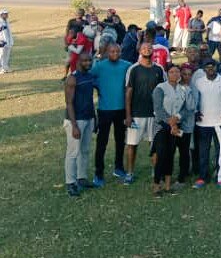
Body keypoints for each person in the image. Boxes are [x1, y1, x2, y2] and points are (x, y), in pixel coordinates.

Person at [124, 43, 166, 183]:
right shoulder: (133, 69)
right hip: (136, 114)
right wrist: (128, 115)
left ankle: (156, 172)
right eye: (144, 48)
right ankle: (130, 173)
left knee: (154, 144)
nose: (147, 50)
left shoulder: (159, 69)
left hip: (154, 114)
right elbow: (128, 92)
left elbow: (164, 90)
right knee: (132, 144)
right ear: (139, 51)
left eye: (149, 48)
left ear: (153, 51)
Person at [90, 43, 131, 186]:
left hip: (121, 109)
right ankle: (98, 174)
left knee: (120, 140)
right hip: (105, 109)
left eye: (117, 51)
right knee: (102, 142)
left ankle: (119, 168)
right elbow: (89, 77)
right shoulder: (100, 66)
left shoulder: (126, 65)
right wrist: (97, 86)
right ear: (107, 52)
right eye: (112, 51)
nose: (115, 54)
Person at [193, 59, 221, 189]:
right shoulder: (198, 82)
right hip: (203, 123)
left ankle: (220, 177)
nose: (210, 69)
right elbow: (193, 98)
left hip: (219, 122)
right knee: (203, 152)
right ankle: (202, 177)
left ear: (216, 67)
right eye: (207, 67)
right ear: (203, 69)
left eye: (213, 66)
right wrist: (196, 111)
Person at [151, 64, 188, 195]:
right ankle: (156, 186)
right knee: (161, 155)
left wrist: (177, 118)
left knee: (170, 155)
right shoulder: (160, 88)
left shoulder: (182, 89)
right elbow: (158, 109)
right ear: (167, 74)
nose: (174, 74)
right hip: (161, 126)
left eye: (177, 72)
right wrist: (170, 123)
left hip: (175, 126)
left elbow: (184, 108)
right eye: (171, 72)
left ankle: (167, 186)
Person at [63, 52, 96, 197]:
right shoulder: (72, 78)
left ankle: (82, 177)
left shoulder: (89, 76)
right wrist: (74, 125)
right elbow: (69, 103)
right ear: (78, 62)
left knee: (85, 150)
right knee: (73, 152)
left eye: (90, 60)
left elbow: (89, 99)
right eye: (85, 61)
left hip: (88, 118)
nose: (88, 63)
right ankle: (70, 182)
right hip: (76, 120)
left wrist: (94, 118)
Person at [0, 8, 13, 74]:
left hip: (8, 42)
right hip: (1, 42)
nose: (7, 15)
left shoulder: (7, 21)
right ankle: (1, 69)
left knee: (6, 56)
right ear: (1, 15)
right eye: (5, 14)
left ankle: (5, 68)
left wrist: (11, 41)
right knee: (1, 55)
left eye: (7, 14)